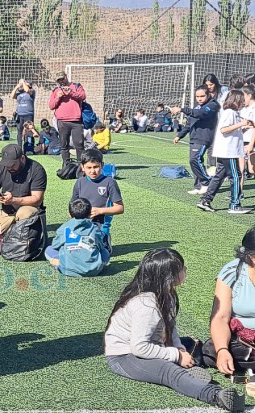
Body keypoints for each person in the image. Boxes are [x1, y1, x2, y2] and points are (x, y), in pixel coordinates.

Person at [105, 248, 245, 412]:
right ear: (169, 276)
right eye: (181, 268)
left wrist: (178, 347)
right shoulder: (146, 306)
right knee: (169, 371)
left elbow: (170, 328)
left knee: (195, 346)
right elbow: (140, 347)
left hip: (156, 345)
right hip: (126, 356)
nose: (185, 270)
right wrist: (176, 355)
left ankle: (197, 365)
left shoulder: (166, 294)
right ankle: (216, 395)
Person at [202, 227, 255, 398]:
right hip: (243, 340)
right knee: (211, 350)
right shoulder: (232, 272)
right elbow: (220, 317)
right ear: (250, 257)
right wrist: (223, 350)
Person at [196, 90, 252, 214]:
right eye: (241, 100)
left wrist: (243, 128)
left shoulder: (235, 113)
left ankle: (205, 200)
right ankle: (234, 205)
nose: (243, 103)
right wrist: (241, 124)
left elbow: (232, 132)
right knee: (236, 176)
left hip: (227, 150)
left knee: (219, 177)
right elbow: (224, 130)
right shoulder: (229, 112)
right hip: (228, 151)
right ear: (236, 100)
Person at [0, 144, 47, 235]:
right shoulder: (2, 167)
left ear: (22, 158)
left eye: (12, 164)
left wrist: (13, 200)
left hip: (30, 209)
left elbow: (37, 199)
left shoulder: (37, 169)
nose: (9, 168)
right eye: (7, 165)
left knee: (23, 213)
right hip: (7, 212)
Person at [71, 149, 124, 251]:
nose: (92, 171)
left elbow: (120, 208)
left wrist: (99, 211)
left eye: (96, 167)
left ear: (102, 165)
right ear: (82, 167)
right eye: (89, 167)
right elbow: (73, 206)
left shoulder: (110, 182)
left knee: (97, 253)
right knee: (75, 251)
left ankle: (105, 239)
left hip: (100, 225)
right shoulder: (79, 182)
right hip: (82, 225)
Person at [172, 85, 220, 195]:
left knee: (194, 160)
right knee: (196, 163)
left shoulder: (212, 105)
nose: (199, 98)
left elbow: (200, 114)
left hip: (204, 138)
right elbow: (189, 124)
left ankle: (206, 182)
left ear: (208, 95)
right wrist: (179, 135)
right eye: (197, 96)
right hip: (194, 138)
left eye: (202, 96)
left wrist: (182, 109)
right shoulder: (197, 107)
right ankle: (199, 186)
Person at [45, 197, 110, 277]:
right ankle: (98, 265)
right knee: (105, 252)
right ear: (90, 214)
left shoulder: (65, 228)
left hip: (67, 269)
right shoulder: (95, 229)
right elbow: (101, 248)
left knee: (49, 249)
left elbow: (55, 245)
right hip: (93, 270)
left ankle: (59, 263)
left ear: (69, 214)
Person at [48, 71, 86, 164]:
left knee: (79, 144)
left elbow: (83, 96)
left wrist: (71, 93)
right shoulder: (56, 90)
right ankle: (66, 164)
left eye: (62, 79)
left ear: (66, 76)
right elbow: (51, 106)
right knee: (64, 145)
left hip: (76, 121)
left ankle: (80, 165)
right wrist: (58, 97)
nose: (61, 81)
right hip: (62, 121)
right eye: (59, 80)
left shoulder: (76, 86)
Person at [10, 78, 35, 144]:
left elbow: (27, 90)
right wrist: (16, 87)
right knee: (19, 131)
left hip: (28, 114)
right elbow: (11, 96)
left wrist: (23, 82)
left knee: (29, 130)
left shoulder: (32, 91)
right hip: (20, 114)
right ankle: (19, 146)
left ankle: (29, 147)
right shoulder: (19, 93)